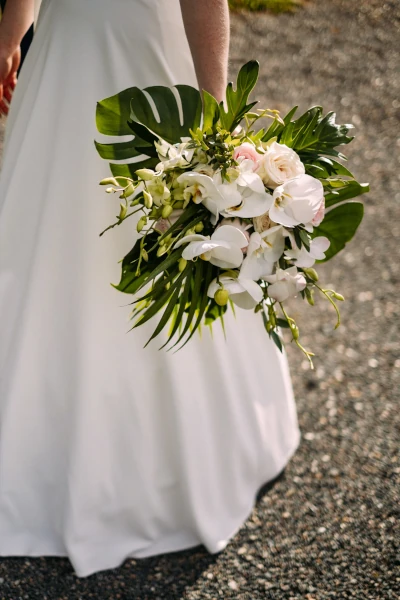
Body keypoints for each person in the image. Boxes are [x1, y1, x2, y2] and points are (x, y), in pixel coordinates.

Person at [0, 0, 300, 578]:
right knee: (52, 230)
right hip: (62, 58)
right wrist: (16, 26)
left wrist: (214, 121)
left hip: (143, 60)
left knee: (160, 226)